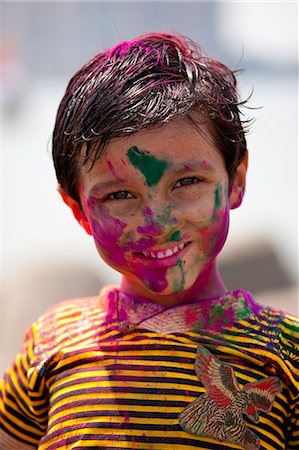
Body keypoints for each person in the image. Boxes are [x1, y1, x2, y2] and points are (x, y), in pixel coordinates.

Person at [1, 32, 298, 450]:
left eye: (188, 182)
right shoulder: (52, 341)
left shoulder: (286, 352)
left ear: (236, 181)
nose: (157, 222)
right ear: (78, 210)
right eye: (119, 195)